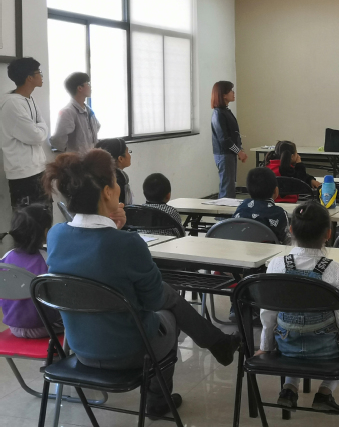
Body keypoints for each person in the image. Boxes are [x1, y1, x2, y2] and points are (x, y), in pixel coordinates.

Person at [43, 149, 240, 418]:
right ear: (107, 192)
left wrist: (115, 230)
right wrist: (120, 234)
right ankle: (159, 400)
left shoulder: (56, 236)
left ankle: (217, 343)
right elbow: (154, 299)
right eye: (115, 181)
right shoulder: (128, 244)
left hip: (81, 349)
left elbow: (96, 256)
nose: (118, 187)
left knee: (165, 295)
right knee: (169, 306)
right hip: (132, 351)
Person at [257, 202, 339, 413]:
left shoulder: (276, 265)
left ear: (291, 230)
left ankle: (289, 388)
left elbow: (267, 314)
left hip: (286, 348)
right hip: (326, 351)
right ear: (328, 234)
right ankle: (325, 391)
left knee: (292, 332)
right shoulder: (335, 270)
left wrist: (266, 346)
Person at [0, 204, 63, 338]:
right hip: (47, 327)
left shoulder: (6, 258)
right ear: (46, 232)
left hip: (14, 327)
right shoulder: (49, 259)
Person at [0, 57, 49, 209]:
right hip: (23, 174)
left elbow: (41, 126)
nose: (41, 76)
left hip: (38, 169)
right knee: (28, 220)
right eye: (39, 72)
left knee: (45, 216)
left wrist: (39, 128)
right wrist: (40, 128)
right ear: (29, 78)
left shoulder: (29, 98)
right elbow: (36, 136)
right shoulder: (12, 104)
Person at [233, 167, 289, 243]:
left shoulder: (242, 207)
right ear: (276, 191)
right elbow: (286, 241)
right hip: (270, 250)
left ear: (248, 190)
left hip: (240, 249)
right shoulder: (279, 213)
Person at [211, 81, 247, 198]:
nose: (233, 93)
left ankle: (227, 208)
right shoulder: (218, 114)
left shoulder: (225, 111)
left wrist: (240, 149)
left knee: (230, 186)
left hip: (229, 154)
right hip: (224, 154)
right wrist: (239, 152)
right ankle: (223, 210)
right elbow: (224, 139)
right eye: (231, 90)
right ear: (223, 95)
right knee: (227, 188)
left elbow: (234, 134)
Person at [49, 72, 100, 153]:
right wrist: (71, 152)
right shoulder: (68, 112)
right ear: (80, 88)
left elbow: (97, 127)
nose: (90, 87)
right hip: (76, 159)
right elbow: (58, 140)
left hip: (91, 156)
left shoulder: (88, 110)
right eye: (88, 84)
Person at [96, 138, 133, 204]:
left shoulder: (98, 176)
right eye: (127, 152)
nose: (129, 155)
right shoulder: (119, 180)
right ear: (120, 159)